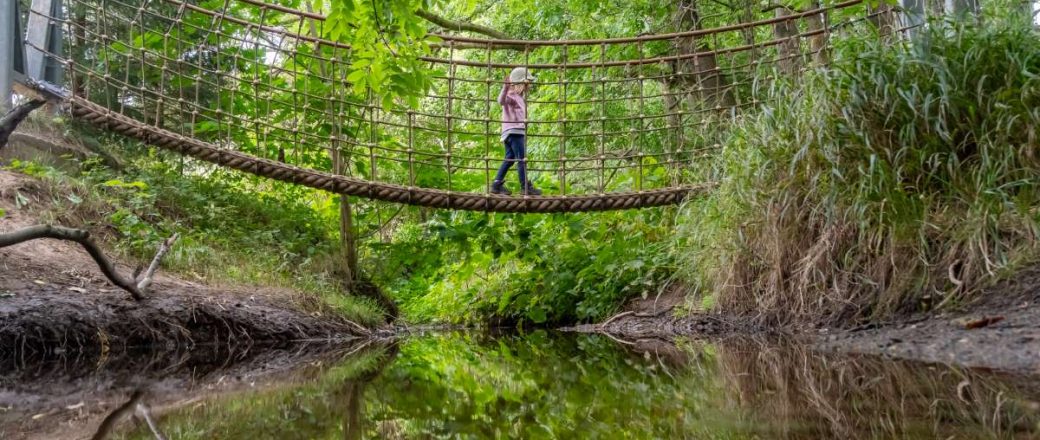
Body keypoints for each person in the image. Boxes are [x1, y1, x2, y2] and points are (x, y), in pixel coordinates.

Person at [490, 67, 541, 196]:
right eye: (525, 84)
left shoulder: (519, 97)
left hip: (512, 132)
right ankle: (525, 187)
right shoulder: (511, 96)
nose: (527, 87)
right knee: (522, 160)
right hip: (514, 132)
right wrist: (505, 88)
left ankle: (496, 184)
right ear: (519, 84)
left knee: (509, 159)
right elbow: (501, 101)